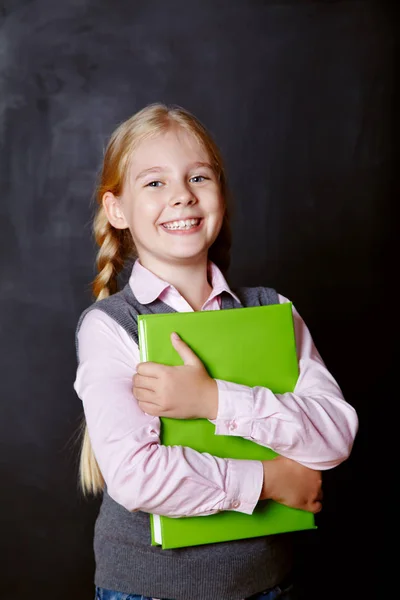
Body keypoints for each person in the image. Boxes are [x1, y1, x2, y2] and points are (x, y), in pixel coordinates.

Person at [73, 102, 358, 600]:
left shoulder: (275, 310)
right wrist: (270, 480)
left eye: (199, 177)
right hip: (148, 591)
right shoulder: (110, 326)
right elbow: (139, 478)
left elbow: (334, 435)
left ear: (220, 194)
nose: (182, 196)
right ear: (117, 208)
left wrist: (214, 401)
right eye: (155, 183)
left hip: (267, 584)